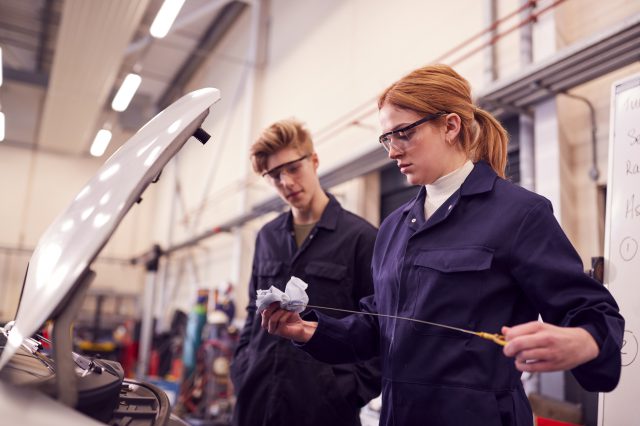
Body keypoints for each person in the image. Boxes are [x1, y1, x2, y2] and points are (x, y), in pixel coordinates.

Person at [261, 64, 625, 426]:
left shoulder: (519, 214)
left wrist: (585, 341)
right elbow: (378, 326)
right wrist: (310, 329)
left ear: (450, 126)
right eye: (386, 139)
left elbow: (593, 310)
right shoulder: (393, 228)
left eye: (402, 133)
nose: (392, 151)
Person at [230, 118, 381, 426]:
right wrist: (242, 366)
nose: (285, 182)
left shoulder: (362, 238)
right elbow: (250, 311)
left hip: (323, 409)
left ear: (313, 161)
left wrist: (349, 390)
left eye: (293, 168)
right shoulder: (267, 237)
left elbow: (378, 326)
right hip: (256, 397)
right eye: (274, 175)